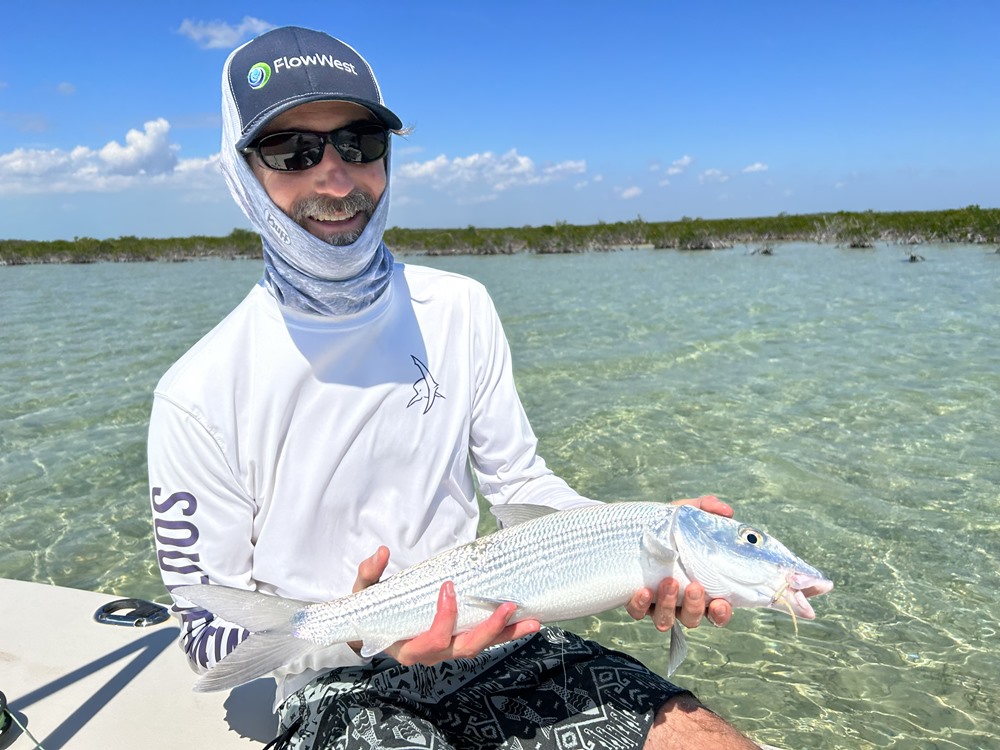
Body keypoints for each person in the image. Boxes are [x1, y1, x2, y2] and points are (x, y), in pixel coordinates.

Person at [148, 25, 779, 750]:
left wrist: (637, 534)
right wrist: (358, 634)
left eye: (360, 142)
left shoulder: (461, 307)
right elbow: (209, 643)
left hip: (498, 635)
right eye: (292, 151)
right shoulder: (196, 392)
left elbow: (519, 488)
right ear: (240, 173)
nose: (337, 178)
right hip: (334, 680)